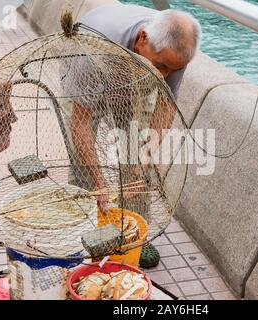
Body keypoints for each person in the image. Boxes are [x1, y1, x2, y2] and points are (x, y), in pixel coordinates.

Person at [66, 4, 201, 266]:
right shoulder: (91, 48)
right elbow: (80, 124)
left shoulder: (174, 54)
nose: (164, 75)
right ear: (142, 39)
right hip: (94, 74)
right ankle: (84, 231)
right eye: (160, 65)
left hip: (131, 86)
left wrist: (142, 161)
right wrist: (100, 182)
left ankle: (136, 235)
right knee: (83, 166)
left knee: (137, 161)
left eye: (172, 70)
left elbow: (165, 105)